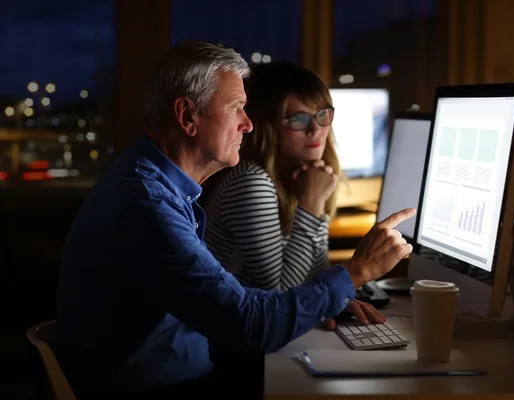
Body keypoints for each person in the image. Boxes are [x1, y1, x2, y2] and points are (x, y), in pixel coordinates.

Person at [55, 40, 415, 399]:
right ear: (186, 117)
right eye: (237, 108)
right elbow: (252, 326)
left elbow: (240, 301)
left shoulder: (154, 185)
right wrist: (358, 272)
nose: (247, 123)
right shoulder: (149, 207)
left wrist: (324, 300)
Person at [203, 61, 381, 326]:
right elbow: (281, 297)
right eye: (298, 119)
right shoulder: (251, 182)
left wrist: (329, 300)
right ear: (268, 126)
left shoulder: (298, 179)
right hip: (232, 346)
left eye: (323, 114)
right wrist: (311, 205)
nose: (316, 129)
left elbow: (313, 278)